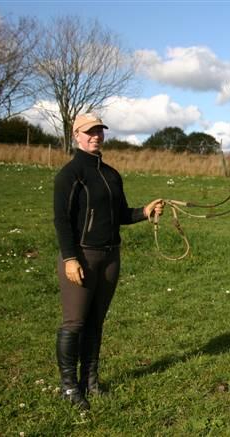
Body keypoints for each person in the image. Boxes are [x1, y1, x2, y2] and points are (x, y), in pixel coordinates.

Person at [53, 113, 164, 410]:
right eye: (89, 132)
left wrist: (144, 212)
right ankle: (69, 387)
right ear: (76, 134)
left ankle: (90, 381)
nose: (96, 136)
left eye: (99, 131)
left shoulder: (112, 174)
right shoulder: (70, 174)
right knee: (74, 322)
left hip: (111, 256)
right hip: (82, 257)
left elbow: (120, 215)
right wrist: (70, 258)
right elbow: (62, 221)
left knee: (95, 323)